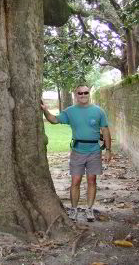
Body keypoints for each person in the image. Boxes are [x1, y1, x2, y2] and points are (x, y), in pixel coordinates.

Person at [40, 84, 112, 223]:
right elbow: (54, 120)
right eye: (80, 93)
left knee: (92, 180)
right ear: (76, 95)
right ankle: (73, 209)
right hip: (78, 151)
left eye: (85, 93)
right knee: (76, 181)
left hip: (94, 151)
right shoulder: (70, 111)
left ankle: (89, 209)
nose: (83, 95)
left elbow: (106, 130)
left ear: (89, 93)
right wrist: (45, 111)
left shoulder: (99, 111)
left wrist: (108, 150)